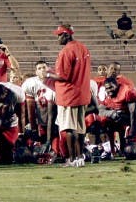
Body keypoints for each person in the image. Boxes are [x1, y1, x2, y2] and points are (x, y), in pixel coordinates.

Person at [45, 24, 91, 167]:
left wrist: (47, 74)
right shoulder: (83, 48)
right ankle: (80, 157)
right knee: (80, 128)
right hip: (82, 93)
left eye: (59, 35)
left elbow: (62, 76)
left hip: (68, 94)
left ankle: (72, 159)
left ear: (66, 35)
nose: (58, 38)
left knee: (69, 128)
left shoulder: (66, 51)